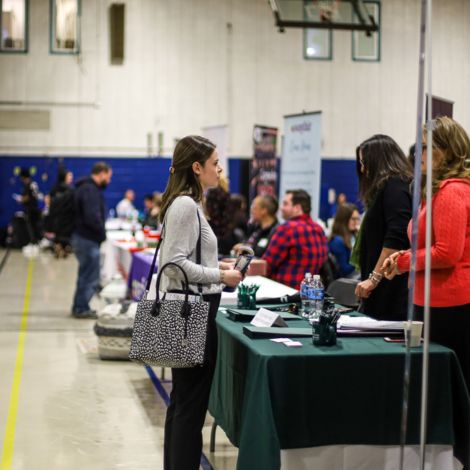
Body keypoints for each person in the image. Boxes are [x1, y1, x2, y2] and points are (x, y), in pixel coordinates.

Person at [158, 135, 242, 470]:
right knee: (189, 408)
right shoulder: (183, 205)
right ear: (196, 167)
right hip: (190, 313)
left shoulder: (190, 204)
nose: (220, 169)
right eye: (215, 163)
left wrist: (217, 266)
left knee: (183, 403)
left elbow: (187, 257)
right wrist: (220, 277)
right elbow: (175, 263)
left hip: (194, 310)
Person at [382, 117, 470, 390]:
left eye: (424, 147)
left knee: (450, 385)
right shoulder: (434, 192)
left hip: (449, 305)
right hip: (432, 299)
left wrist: (405, 262)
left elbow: (447, 253)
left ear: (445, 151)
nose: (417, 154)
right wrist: (404, 257)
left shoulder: (452, 191)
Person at [353, 134, 413, 320]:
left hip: (391, 286)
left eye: (366, 163)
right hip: (384, 282)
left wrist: (374, 278)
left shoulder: (395, 185)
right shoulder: (389, 186)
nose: (363, 169)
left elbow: (396, 236)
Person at [262, 189, 328, 289]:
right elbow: (323, 260)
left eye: (285, 204)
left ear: (297, 208)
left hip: (282, 292)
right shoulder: (318, 229)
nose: (281, 208)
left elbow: (268, 265)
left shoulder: (287, 229)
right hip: (309, 294)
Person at [71, 162, 112, 318]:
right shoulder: (90, 190)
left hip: (83, 238)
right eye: (108, 177)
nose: (108, 181)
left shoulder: (86, 188)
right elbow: (92, 217)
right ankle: (81, 308)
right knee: (90, 276)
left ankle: (80, 306)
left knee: (85, 274)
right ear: (101, 173)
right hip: (87, 239)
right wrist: (102, 233)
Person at [328, 203, 360, 278]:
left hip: (356, 277)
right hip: (345, 282)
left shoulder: (353, 235)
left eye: (357, 219)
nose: (356, 222)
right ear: (344, 220)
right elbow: (344, 270)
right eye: (353, 219)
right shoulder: (337, 241)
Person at [48, 168, 74, 257]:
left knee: (58, 237)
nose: (71, 178)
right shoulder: (69, 190)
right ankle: (62, 248)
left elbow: (49, 201)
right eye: (69, 176)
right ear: (64, 177)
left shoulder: (54, 188)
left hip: (55, 218)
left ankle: (59, 247)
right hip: (65, 218)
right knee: (63, 237)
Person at [18, 168, 42, 246]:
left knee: (32, 227)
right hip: (35, 209)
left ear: (23, 177)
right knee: (35, 227)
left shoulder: (28, 185)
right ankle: (37, 242)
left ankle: (34, 243)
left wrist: (21, 199)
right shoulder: (33, 184)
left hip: (31, 210)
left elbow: (29, 197)